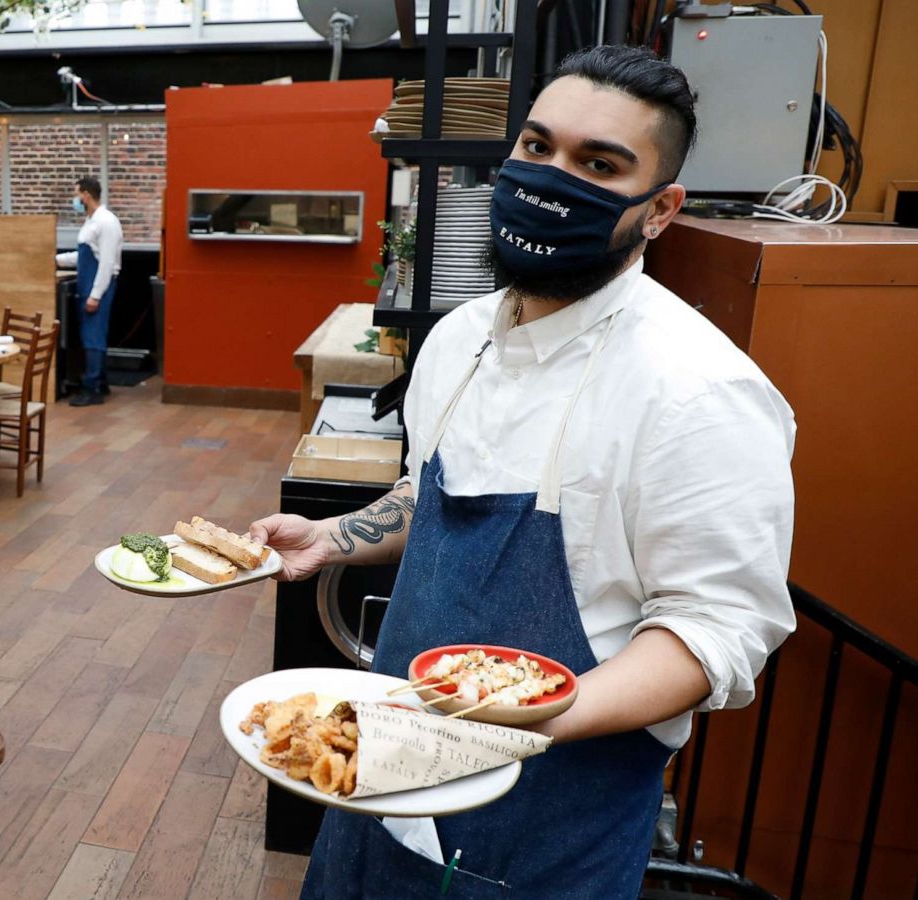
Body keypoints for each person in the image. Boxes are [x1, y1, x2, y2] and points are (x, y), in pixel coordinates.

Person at [251, 47, 796, 898]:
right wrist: (333, 537)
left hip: (547, 830)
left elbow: (717, 630)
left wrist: (521, 717)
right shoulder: (458, 336)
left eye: (599, 164)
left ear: (659, 211)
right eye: (537, 148)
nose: (551, 178)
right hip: (380, 788)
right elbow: (431, 492)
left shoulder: (699, 392)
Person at [55, 175, 122, 407]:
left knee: (93, 337)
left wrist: (95, 295)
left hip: (98, 286)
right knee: (91, 335)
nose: (75, 199)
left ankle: (92, 388)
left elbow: (105, 263)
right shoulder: (91, 221)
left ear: (86, 194)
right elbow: (83, 256)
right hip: (88, 283)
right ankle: (101, 382)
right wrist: (54, 259)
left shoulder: (106, 222)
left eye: (76, 194)